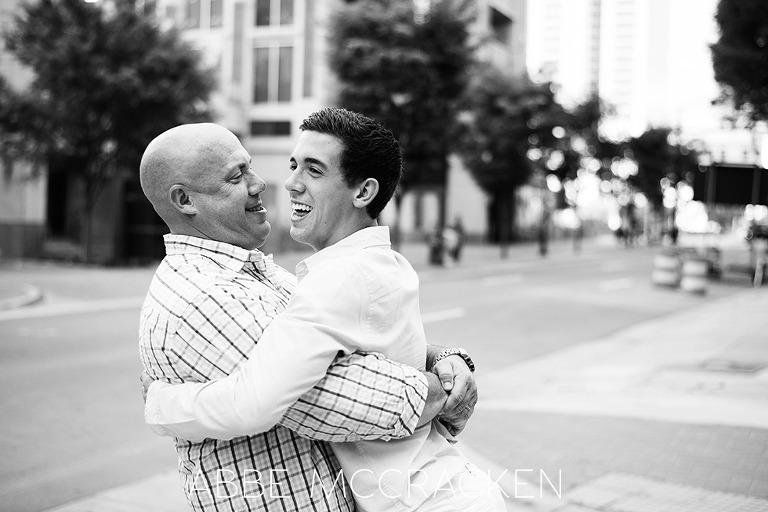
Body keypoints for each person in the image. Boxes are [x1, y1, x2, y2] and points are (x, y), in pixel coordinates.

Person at [143, 109, 504, 511]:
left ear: (363, 192)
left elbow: (257, 401)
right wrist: (443, 367)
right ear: (184, 200)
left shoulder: (339, 276)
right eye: (294, 165)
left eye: (313, 170)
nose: (283, 183)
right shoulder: (371, 264)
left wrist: (163, 405)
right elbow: (357, 363)